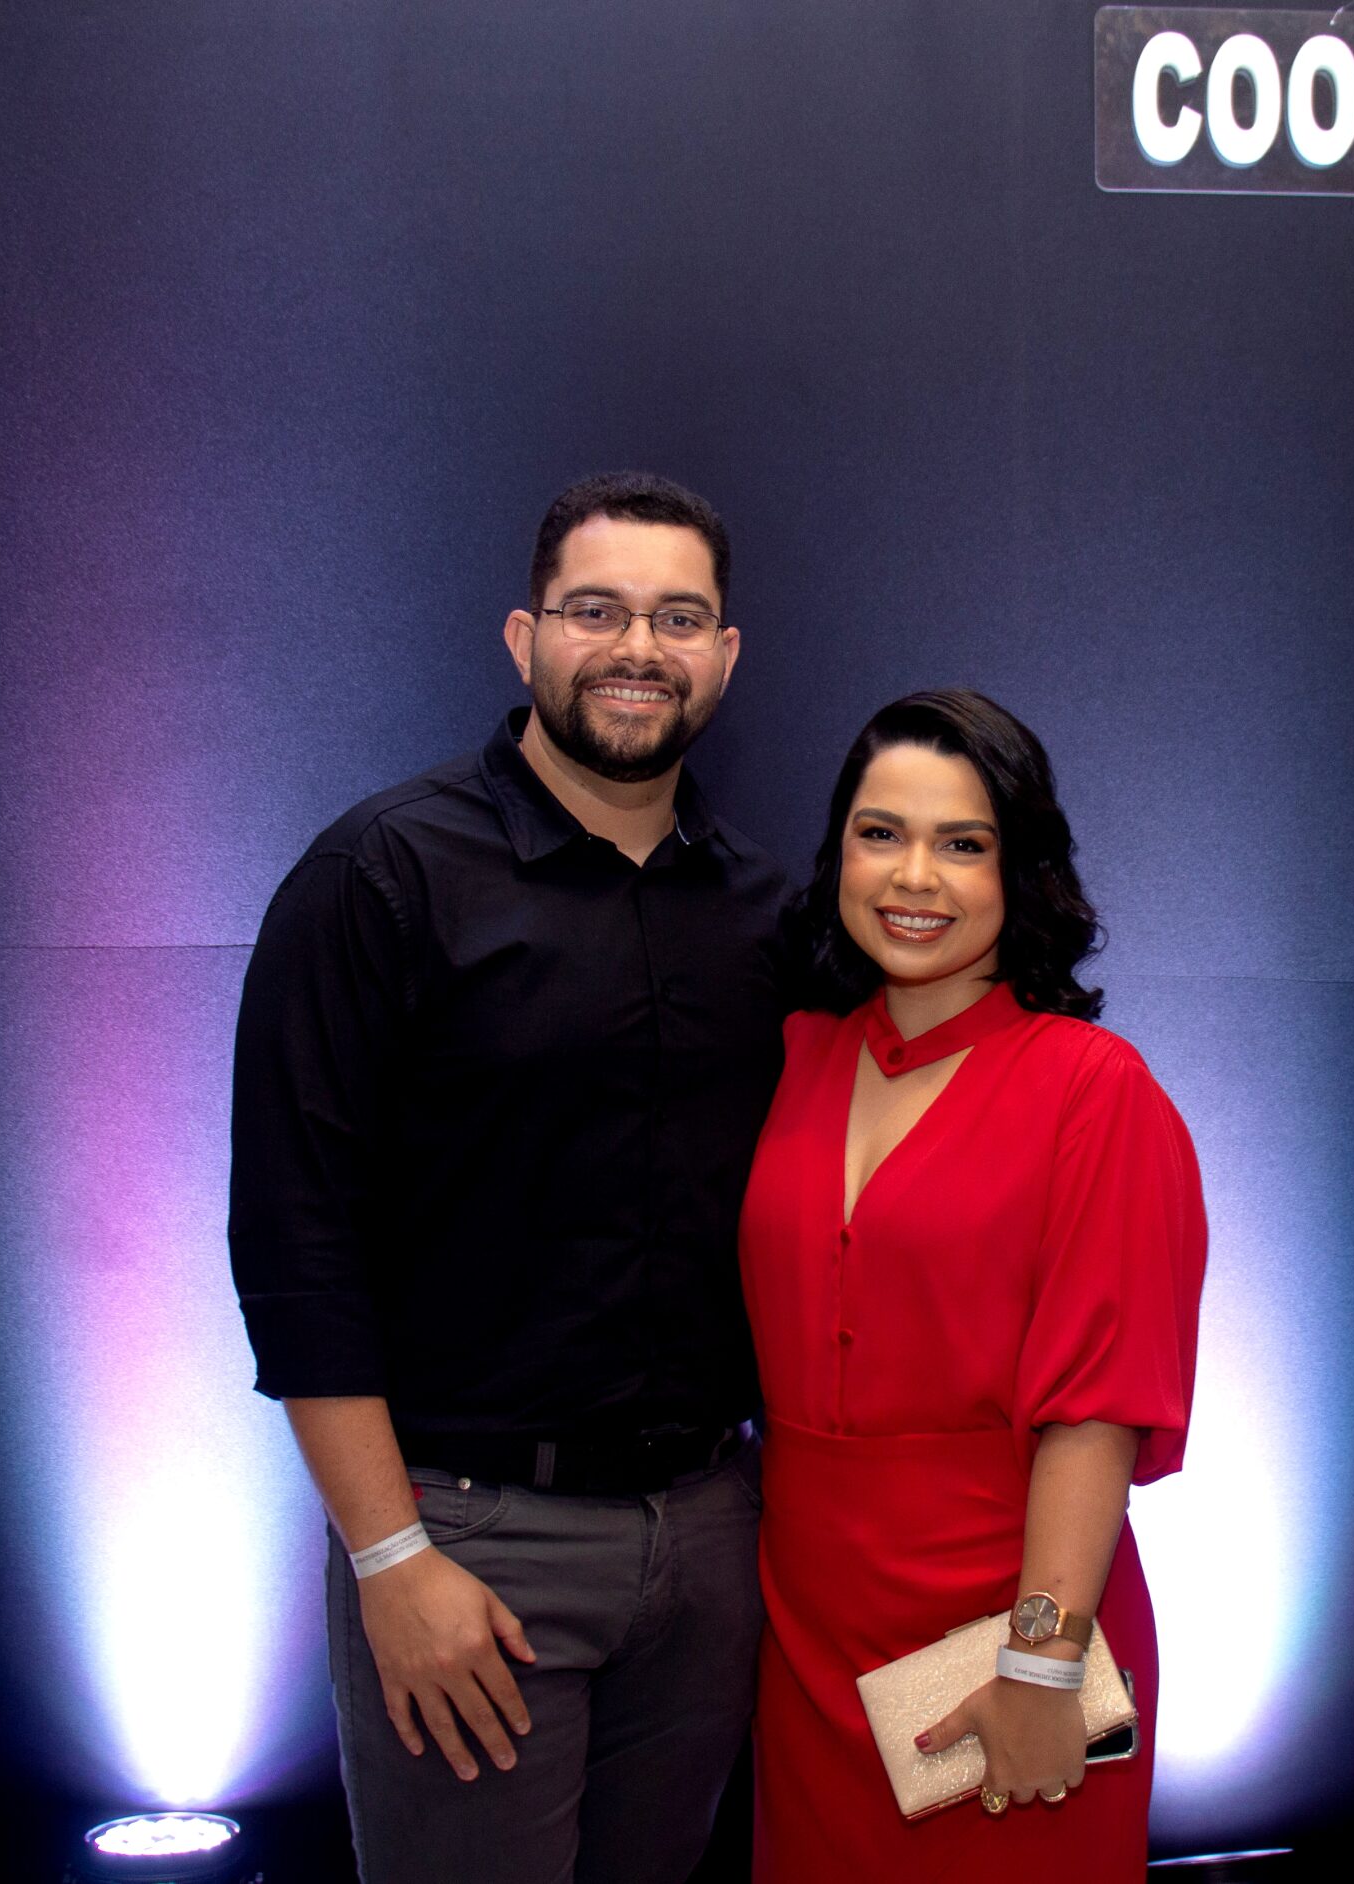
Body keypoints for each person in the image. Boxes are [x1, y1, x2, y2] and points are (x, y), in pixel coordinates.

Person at [228, 471, 788, 1884]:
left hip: (712, 1537)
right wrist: (389, 1558)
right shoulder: (381, 875)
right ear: (524, 636)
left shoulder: (768, 914)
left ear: (725, 654)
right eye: (597, 610)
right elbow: (295, 1247)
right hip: (467, 1541)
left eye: (678, 618)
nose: (638, 648)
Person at [738, 689, 1207, 1879]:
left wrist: (1041, 1663)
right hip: (803, 1639)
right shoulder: (796, 1054)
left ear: (1021, 871)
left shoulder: (1093, 1089)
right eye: (880, 834)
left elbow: (1097, 1411)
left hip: (1003, 1638)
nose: (916, 878)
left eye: (962, 843)